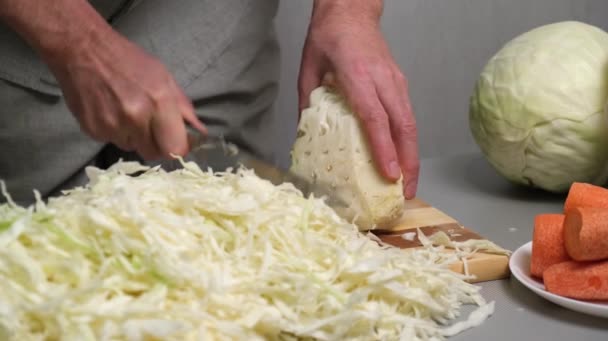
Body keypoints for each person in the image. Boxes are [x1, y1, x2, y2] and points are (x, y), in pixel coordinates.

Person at [0, 0, 419, 205]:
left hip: (209, 15)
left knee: (226, 225)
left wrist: (347, 12)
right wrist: (78, 42)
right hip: (23, 30)